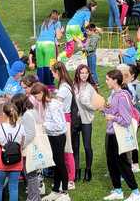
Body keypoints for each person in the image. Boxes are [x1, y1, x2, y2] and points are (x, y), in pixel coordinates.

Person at [101, 70, 140, 201]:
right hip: (110, 133)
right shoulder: (114, 95)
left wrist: (112, 117)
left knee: (123, 163)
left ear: (115, 80)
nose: (106, 81)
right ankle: (118, 190)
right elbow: (111, 112)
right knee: (111, 162)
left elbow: (126, 120)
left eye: (108, 79)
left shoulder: (123, 96)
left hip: (118, 135)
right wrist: (103, 109)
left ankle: (136, 192)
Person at [39, 81, 69, 200]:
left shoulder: (53, 105)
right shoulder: (46, 104)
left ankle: (65, 193)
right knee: (55, 164)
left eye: (36, 96)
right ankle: (56, 190)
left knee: (60, 164)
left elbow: (59, 125)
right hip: (51, 136)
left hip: (58, 137)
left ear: (42, 93)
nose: (36, 99)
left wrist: (44, 125)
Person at [51, 62, 77, 190]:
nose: (52, 74)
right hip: (63, 118)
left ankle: (71, 179)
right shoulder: (63, 85)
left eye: (53, 72)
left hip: (65, 119)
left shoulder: (63, 88)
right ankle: (65, 177)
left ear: (58, 72)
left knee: (67, 150)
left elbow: (56, 104)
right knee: (64, 151)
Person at [0, 102, 26, 201]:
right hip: (16, 162)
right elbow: (22, 144)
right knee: (14, 188)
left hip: (2, 162)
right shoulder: (21, 128)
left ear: (4, 114)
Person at [12, 93, 42, 201]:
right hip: (34, 148)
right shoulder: (32, 112)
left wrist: (19, 147)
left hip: (29, 150)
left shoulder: (27, 115)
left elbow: (30, 135)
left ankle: (32, 198)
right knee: (32, 175)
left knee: (30, 175)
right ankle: (35, 197)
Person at [72, 65, 97, 182]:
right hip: (75, 121)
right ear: (77, 73)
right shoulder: (73, 87)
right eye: (82, 73)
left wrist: (86, 104)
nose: (84, 75)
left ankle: (88, 169)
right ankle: (76, 170)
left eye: (86, 73)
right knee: (75, 147)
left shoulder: (91, 88)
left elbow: (95, 106)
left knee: (87, 146)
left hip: (86, 120)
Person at [36, 10, 62, 85]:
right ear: (58, 16)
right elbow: (58, 36)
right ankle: (49, 85)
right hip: (48, 45)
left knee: (41, 66)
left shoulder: (45, 22)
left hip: (39, 44)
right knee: (50, 65)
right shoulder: (57, 22)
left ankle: (40, 85)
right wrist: (61, 31)